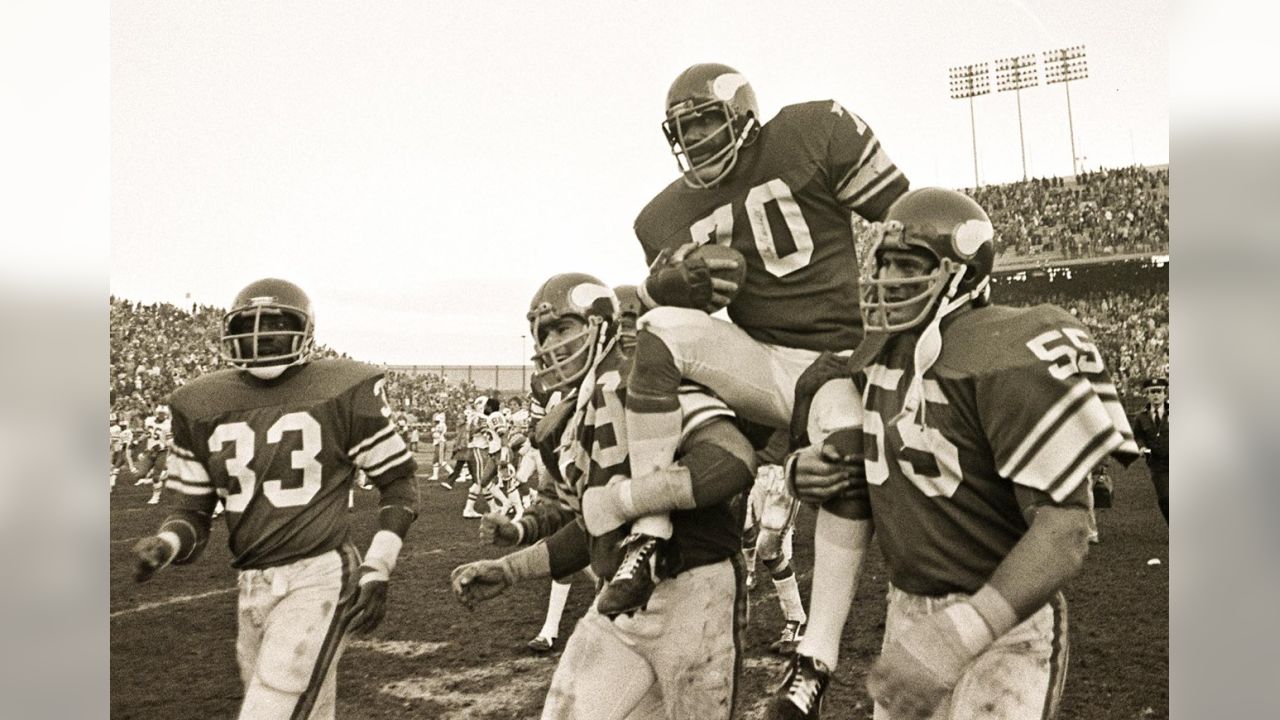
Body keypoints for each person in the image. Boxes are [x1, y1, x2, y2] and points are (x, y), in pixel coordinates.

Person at [767, 188, 1139, 720]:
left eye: (909, 264)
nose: (890, 278)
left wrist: (962, 632)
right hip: (908, 614)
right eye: (886, 262)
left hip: (1004, 620)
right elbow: (858, 463)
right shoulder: (872, 354)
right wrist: (800, 470)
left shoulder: (1007, 350)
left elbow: (1066, 531)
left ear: (964, 273)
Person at [614, 62, 911, 614]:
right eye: (683, 131)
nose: (694, 138)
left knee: (849, 470)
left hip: (840, 360)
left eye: (704, 121)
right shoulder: (661, 217)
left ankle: (815, 644)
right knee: (657, 331)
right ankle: (648, 532)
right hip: (763, 362)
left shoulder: (810, 131)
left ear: (743, 115)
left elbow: (904, 221)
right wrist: (660, 288)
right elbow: (646, 306)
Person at [451, 272, 757, 719]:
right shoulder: (567, 418)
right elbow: (588, 525)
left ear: (601, 323)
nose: (551, 344)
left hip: (694, 586)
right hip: (619, 598)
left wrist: (628, 500)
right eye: (544, 334)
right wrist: (511, 565)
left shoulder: (644, 371)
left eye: (563, 327)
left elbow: (730, 457)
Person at [129, 278, 420, 720]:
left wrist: (378, 567)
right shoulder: (198, 403)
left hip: (320, 575)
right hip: (251, 583)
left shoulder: (342, 388)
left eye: (277, 325)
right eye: (249, 325)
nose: (262, 336)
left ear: (305, 332)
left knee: (268, 712)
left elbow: (398, 482)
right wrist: (166, 545)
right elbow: (192, 512)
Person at [1132, 376, 1169, 523]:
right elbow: (1138, 436)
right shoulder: (1141, 417)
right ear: (1147, 395)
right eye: (1152, 392)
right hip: (1157, 463)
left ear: (1165, 394)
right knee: (1165, 498)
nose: (1156, 395)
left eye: (1159, 391)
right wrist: (1141, 447)